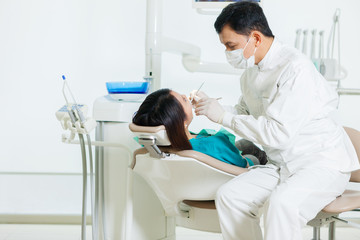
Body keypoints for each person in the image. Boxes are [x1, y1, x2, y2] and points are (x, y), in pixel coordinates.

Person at [190, 1, 360, 240]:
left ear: (256, 38)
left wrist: (223, 116)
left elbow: (277, 133)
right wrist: (211, 107)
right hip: (283, 165)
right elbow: (243, 111)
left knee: (281, 205)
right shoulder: (249, 75)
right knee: (230, 196)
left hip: (321, 164)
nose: (229, 53)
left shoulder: (295, 69)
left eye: (231, 45)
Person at [132, 88, 265, 168]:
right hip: (235, 172)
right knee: (251, 150)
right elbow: (243, 165)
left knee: (244, 144)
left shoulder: (154, 148)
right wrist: (249, 163)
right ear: (180, 122)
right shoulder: (215, 144)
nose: (186, 96)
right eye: (183, 100)